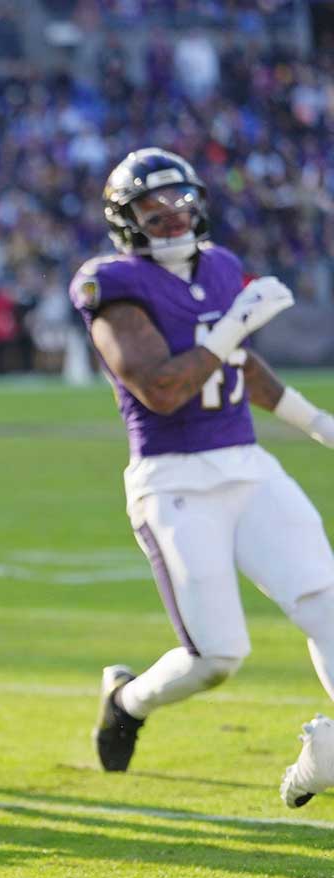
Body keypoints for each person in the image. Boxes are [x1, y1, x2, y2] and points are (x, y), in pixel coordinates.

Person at [71, 148, 334, 809]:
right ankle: (127, 701)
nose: (170, 219)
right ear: (126, 222)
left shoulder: (219, 267)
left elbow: (244, 368)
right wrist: (232, 327)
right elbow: (161, 389)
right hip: (173, 480)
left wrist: (320, 424)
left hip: (247, 464)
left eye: (179, 204)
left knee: (326, 603)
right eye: (152, 212)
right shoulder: (111, 285)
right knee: (217, 657)